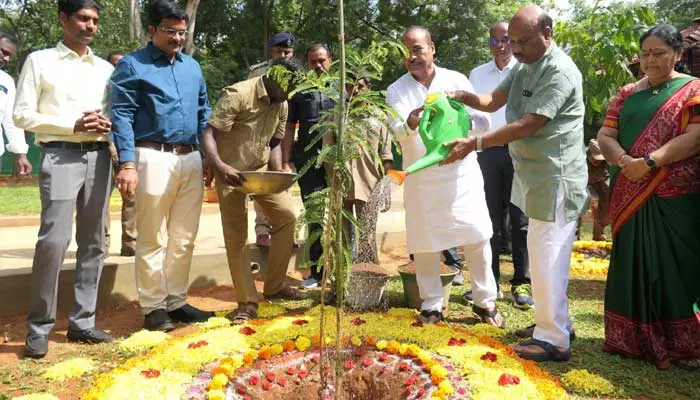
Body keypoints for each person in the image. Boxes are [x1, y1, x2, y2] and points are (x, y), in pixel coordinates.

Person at [442, 5, 588, 362]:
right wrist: (465, 97)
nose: (516, 48)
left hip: (556, 178)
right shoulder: (525, 65)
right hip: (534, 176)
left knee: (548, 256)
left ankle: (554, 339)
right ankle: (554, 324)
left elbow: (529, 123)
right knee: (543, 254)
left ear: (548, 34)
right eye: (512, 41)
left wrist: (474, 144)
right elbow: (492, 100)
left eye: (523, 41)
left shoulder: (560, 71)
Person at [13, 0, 115, 358]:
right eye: (83, 18)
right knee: (54, 241)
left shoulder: (105, 68)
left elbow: (116, 111)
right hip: (59, 154)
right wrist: (70, 124)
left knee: (94, 242)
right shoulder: (40, 61)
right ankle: (39, 326)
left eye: (95, 21)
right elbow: (22, 114)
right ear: (63, 19)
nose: (90, 26)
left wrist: (109, 125)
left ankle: (82, 322)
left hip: (100, 157)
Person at [597, 25, 700, 370]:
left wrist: (652, 162)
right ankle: (629, 338)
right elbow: (606, 134)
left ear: (678, 54)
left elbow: (696, 137)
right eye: (645, 54)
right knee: (632, 261)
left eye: (659, 53)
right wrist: (627, 162)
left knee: (678, 266)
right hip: (630, 190)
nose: (650, 60)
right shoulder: (626, 93)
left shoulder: (693, 90)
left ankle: (685, 345)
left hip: (675, 196)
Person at [386, 26, 502, 326]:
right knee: (425, 243)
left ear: (432, 48)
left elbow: (484, 122)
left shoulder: (456, 80)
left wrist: (460, 117)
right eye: (406, 52)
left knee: (477, 237)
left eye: (417, 49)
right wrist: (411, 122)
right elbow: (395, 131)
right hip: (423, 180)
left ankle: (484, 302)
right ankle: (432, 304)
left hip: (461, 175)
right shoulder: (396, 90)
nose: (412, 56)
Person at [110, 0, 214, 332]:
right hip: (150, 155)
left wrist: (209, 157)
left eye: (182, 32)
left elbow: (204, 114)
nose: (177, 38)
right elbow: (122, 116)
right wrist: (127, 162)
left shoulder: (192, 68)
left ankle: (177, 301)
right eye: (170, 31)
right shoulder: (131, 65)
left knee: (184, 237)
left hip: (191, 158)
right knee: (152, 236)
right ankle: (154, 308)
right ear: (151, 29)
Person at [201, 58, 305, 325]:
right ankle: (247, 301)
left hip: (260, 173)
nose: (287, 95)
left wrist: (278, 170)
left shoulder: (281, 103)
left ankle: (275, 285)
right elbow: (209, 133)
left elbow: (274, 141)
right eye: (285, 88)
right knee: (237, 236)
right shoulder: (238, 94)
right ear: (273, 77)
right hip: (230, 174)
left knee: (286, 217)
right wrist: (219, 166)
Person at [466, 21, 531, 308]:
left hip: (521, 151)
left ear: (514, 40)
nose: (501, 46)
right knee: (488, 220)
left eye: (506, 39)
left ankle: (521, 284)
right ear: (489, 44)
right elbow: (471, 115)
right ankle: (489, 283)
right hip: (488, 152)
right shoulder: (477, 74)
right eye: (495, 41)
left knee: (520, 221)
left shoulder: (527, 70)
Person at [325, 77, 394, 263]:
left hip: (369, 183)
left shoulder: (379, 116)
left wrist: (386, 188)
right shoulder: (337, 115)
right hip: (341, 184)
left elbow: (386, 155)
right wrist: (332, 181)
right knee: (341, 237)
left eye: (359, 86)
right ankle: (341, 281)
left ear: (368, 88)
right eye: (349, 85)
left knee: (367, 236)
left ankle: (368, 276)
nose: (354, 89)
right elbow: (327, 150)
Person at [282, 43, 335, 289]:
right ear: (307, 62)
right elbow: (289, 127)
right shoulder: (299, 92)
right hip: (308, 158)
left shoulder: (341, 90)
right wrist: (285, 160)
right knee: (314, 213)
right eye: (313, 61)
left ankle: (343, 269)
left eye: (322, 60)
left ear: (331, 61)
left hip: (336, 158)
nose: (318, 65)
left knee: (340, 213)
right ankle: (317, 271)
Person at [248, 32, 296, 248]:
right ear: (271, 52)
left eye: (287, 52)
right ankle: (262, 230)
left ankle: (284, 231)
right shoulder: (257, 72)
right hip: (260, 135)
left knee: (284, 184)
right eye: (279, 51)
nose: (283, 55)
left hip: (287, 134)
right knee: (262, 183)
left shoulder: (297, 73)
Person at [102, 50, 137, 256]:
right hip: (104, 150)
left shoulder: (132, 89)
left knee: (131, 197)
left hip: (128, 152)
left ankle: (130, 244)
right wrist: (110, 144)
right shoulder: (101, 90)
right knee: (100, 200)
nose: (120, 68)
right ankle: (102, 245)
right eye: (116, 64)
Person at [0, 30, 31, 176]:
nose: (6, 59)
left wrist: (20, 154)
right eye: (4, 52)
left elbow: (11, 120)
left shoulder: (6, 81)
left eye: (9, 56)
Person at [585, 138, 610, 241]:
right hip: (585, 184)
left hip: (602, 183)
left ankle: (598, 235)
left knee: (604, 209)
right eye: (595, 158)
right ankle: (574, 235)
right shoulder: (580, 159)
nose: (597, 161)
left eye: (600, 159)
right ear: (589, 153)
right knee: (592, 203)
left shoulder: (608, 161)